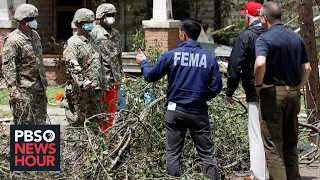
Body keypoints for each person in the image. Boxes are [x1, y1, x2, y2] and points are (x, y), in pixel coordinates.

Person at [136, 19, 222, 179]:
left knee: (173, 155)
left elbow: (150, 75)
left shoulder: (170, 55)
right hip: (199, 112)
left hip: (174, 112)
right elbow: (216, 87)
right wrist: (200, 98)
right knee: (207, 156)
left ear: (183, 35)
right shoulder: (209, 59)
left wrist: (143, 62)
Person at [254, 1, 311, 179]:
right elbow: (307, 68)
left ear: (265, 18)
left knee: (273, 145)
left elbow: (260, 62)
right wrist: (298, 86)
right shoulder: (296, 37)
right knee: (290, 143)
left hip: (273, 95)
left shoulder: (264, 38)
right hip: (293, 94)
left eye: (260, 18)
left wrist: (258, 85)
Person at [225, 2, 266, 180]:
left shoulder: (246, 36)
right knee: (274, 135)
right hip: (279, 90)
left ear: (248, 17)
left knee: (256, 134)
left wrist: (229, 91)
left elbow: (235, 67)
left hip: (254, 90)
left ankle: (258, 175)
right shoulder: (274, 34)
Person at [1, 4, 48, 125]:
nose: (35, 22)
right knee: (24, 125)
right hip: (24, 91)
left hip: (39, 88)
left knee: (40, 123)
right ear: (23, 21)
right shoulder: (13, 40)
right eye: (32, 19)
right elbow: (8, 66)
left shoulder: (35, 36)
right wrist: (13, 91)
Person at [63, 8, 105, 127]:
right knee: (79, 124)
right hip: (79, 92)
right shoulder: (72, 42)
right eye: (87, 23)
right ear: (80, 24)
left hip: (95, 90)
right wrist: (83, 82)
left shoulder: (95, 41)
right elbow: (72, 64)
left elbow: (99, 64)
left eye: (92, 22)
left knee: (95, 123)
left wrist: (104, 86)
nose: (91, 25)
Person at [91, 3, 123, 131]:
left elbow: (119, 56)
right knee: (101, 111)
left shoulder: (116, 33)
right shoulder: (94, 33)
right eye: (108, 15)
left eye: (113, 15)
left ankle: (108, 135)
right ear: (101, 16)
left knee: (111, 110)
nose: (111, 18)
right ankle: (100, 137)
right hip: (101, 80)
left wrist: (121, 73)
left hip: (115, 79)